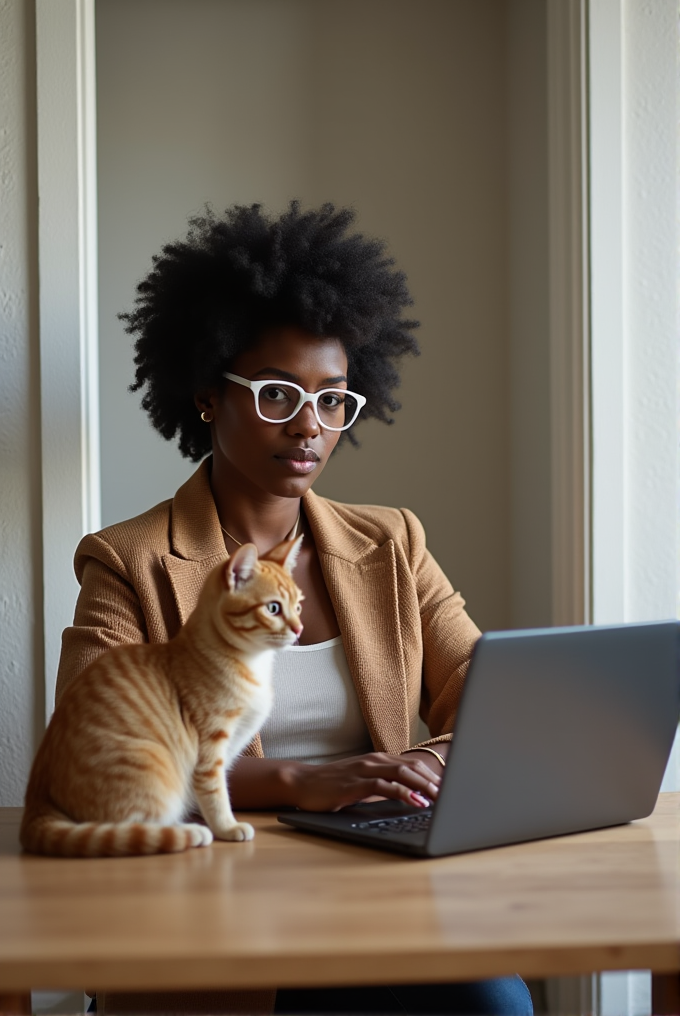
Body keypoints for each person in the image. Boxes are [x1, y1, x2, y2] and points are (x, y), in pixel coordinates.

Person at [58, 203, 533, 1016]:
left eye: (333, 399)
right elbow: (90, 763)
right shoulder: (130, 561)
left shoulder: (392, 543)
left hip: (381, 894)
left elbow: (490, 700)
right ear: (207, 394)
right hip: (203, 903)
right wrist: (301, 782)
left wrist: (428, 766)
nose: (310, 426)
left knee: (498, 1003)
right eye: (278, 394)